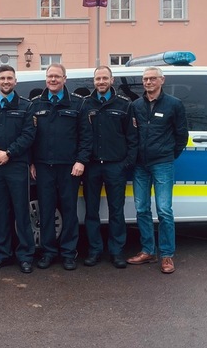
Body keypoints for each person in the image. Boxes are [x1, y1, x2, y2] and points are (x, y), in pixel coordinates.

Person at [29, 64, 91, 271]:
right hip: (44, 167)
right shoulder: (36, 104)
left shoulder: (78, 104)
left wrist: (81, 161)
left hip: (69, 168)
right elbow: (30, 136)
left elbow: (86, 136)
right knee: (46, 211)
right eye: (49, 76)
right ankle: (48, 252)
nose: (53, 80)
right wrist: (31, 162)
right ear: (45, 79)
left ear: (65, 78)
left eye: (57, 76)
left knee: (69, 211)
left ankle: (68, 253)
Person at [127, 66, 188, 274]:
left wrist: (169, 155)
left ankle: (167, 255)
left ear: (162, 80)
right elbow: (131, 135)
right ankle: (147, 251)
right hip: (140, 165)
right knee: (142, 208)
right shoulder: (135, 105)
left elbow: (182, 136)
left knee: (164, 210)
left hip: (162, 163)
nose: (148, 82)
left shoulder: (174, 104)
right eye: (145, 79)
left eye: (153, 78)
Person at [0, 65, 36, 274]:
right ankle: (2, 254)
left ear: (15, 81)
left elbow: (29, 135)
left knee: (21, 212)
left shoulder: (26, 106)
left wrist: (8, 153)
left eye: (9, 78)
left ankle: (25, 255)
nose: (6, 81)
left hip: (17, 166)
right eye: (2, 78)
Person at [80, 66, 138, 269]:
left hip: (116, 166)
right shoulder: (86, 104)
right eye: (98, 78)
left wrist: (126, 164)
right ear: (93, 81)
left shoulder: (124, 104)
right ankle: (94, 251)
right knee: (91, 212)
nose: (101, 81)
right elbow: (81, 136)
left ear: (111, 80)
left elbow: (132, 137)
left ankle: (116, 251)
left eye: (105, 78)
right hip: (92, 167)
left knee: (116, 211)